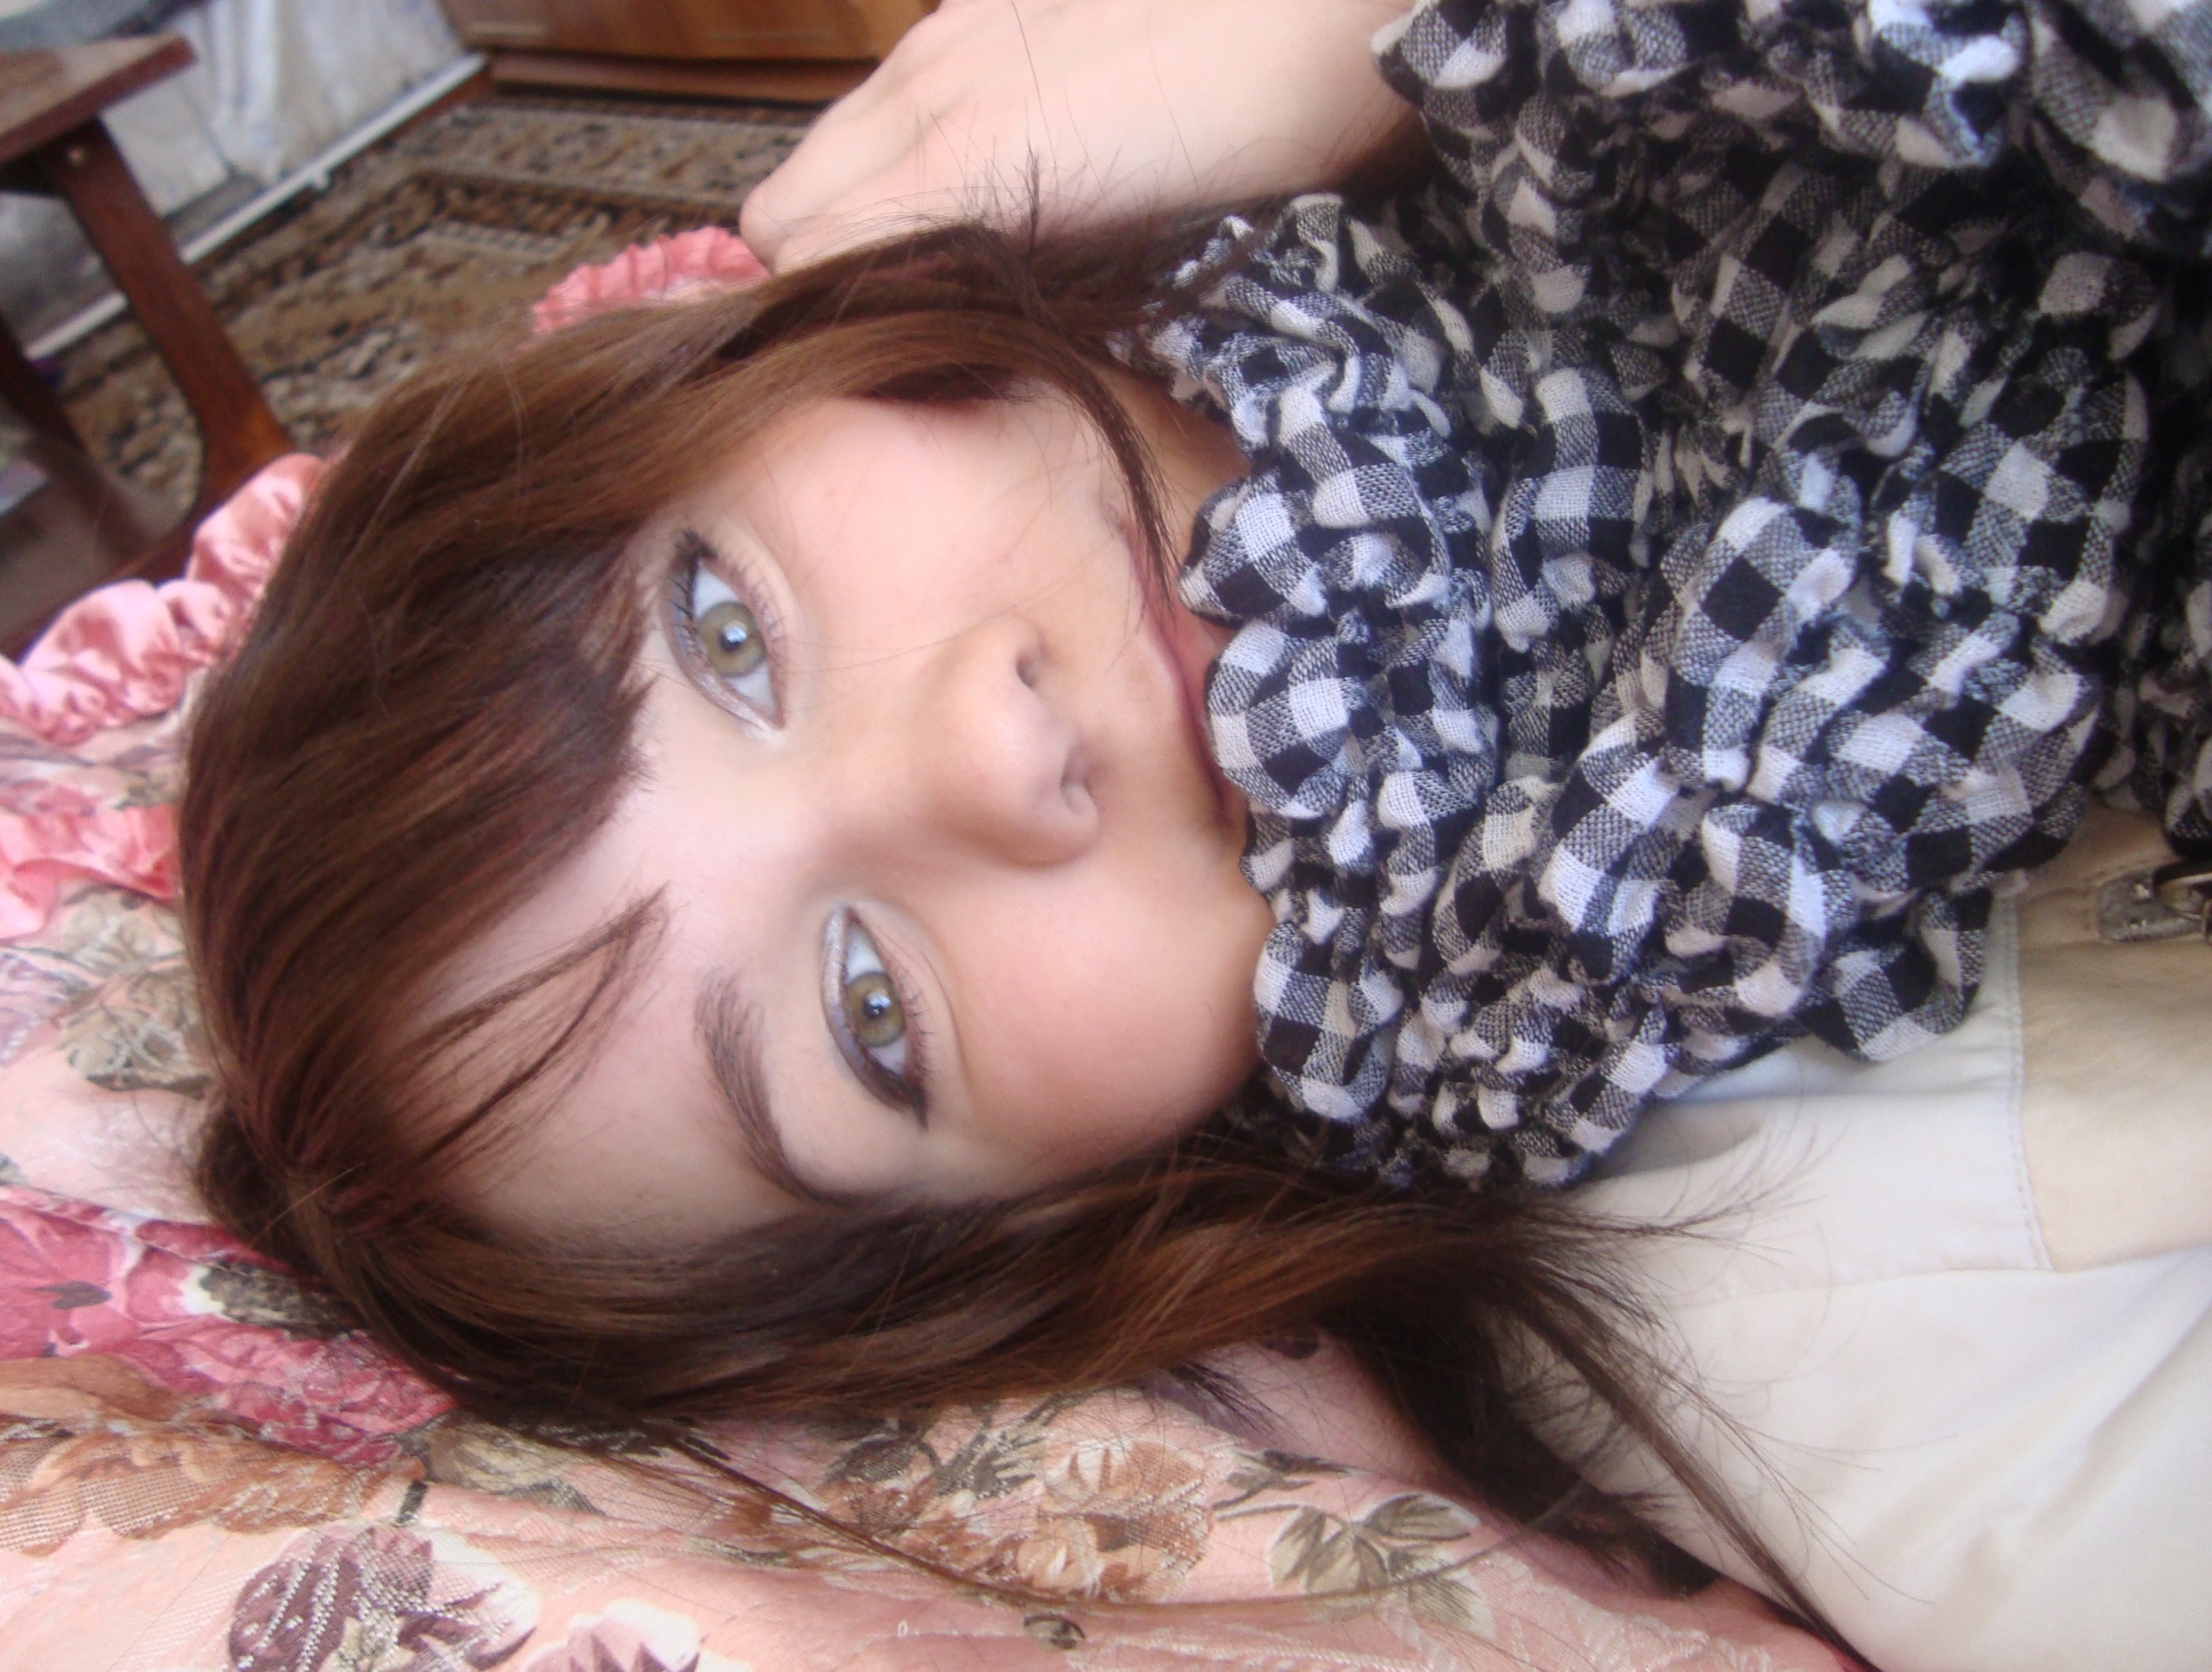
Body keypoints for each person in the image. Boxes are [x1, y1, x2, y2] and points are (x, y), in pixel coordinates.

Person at [175, 0, 2212, 1662]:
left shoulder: (1173, 97)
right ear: (1051, 1221)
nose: (987, 748)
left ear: (742, 384)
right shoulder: (1810, 1323)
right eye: (870, 1011)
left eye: (725, 631)